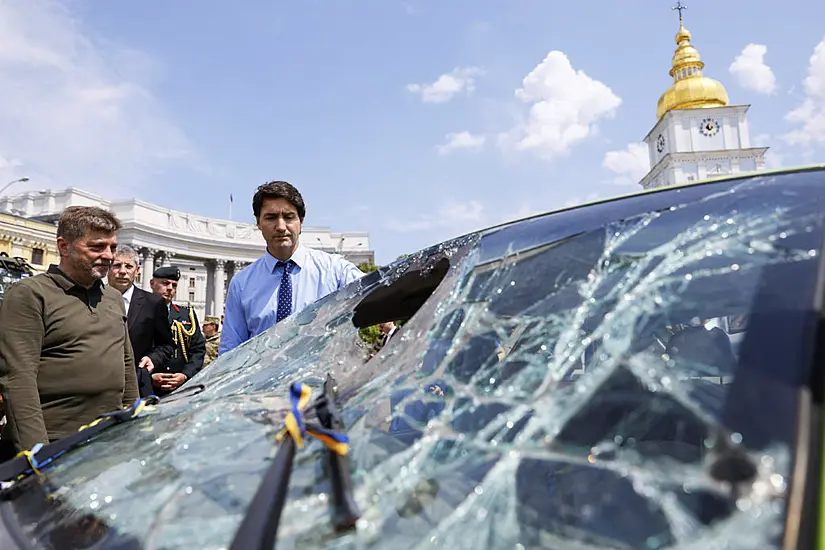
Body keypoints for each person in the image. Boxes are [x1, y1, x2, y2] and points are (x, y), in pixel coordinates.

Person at [0, 206, 139, 455]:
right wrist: (37, 456)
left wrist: (134, 428)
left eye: (113, 247)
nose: (109, 256)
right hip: (55, 444)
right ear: (64, 246)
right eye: (97, 247)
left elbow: (126, 365)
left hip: (108, 439)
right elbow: (18, 379)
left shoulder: (113, 298)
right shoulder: (30, 294)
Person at [219, 181, 364, 354]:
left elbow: (381, 297)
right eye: (271, 217)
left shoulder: (336, 271)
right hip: (263, 379)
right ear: (258, 223)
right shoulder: (241, 284)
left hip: (322, 378)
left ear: (300, 222)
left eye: (288, 217)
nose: (281, 227)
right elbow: (230, 352)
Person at [107, 245, 175, 397]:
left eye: (129, 266)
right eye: (117, 265)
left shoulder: (153, 303)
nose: (122, 271)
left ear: (137, 271)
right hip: (98, 385)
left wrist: (152, 358)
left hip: (136, 385)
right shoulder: (93, 299)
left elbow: (166, 345)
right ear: (108, 269)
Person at [149, 266, 206, 396]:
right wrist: (147, 377)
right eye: (165, 283)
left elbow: (198, 350)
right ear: (152, 284)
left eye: (174, 285)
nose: (170, 288)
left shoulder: (186, 315)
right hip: (147, 388)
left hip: (180, 388)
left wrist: (185, 374)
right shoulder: (140, 312)